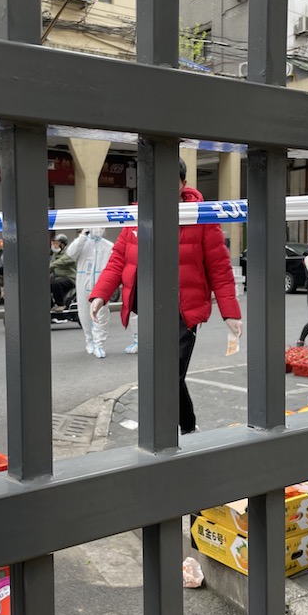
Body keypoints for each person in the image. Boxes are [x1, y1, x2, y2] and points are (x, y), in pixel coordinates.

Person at [89, 158, 242, 435]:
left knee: (169, 374)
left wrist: (230, 312)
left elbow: (219, 267)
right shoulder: (136, 216)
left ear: (182, 184)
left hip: (184, 309)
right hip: (148, 306)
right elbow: (118, 260)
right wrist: (100, 294)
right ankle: (187, 426)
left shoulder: (201, 216)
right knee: (163, 373)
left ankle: (166, 433)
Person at [66, 228, 113, 357]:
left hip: (101, 283)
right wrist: (82, 236)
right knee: (84, 312)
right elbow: (70, 254)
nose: (98, 230)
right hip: (83, 282)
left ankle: (99, 343)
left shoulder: (108, 246)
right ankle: (89, 340)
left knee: (101, 313)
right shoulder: (82, 244)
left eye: (101, 227)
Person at [49, 233, 77, 310]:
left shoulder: (69, 253)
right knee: (44, 284)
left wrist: (50, 266)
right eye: (53, 243)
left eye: (56, 243)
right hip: (59, 278)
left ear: (62, 244)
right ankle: (50, 305)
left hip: (70, 278)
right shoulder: (56, 255)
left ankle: (60, 305)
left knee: (55, 283)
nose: (54, 245)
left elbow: (62, 261)